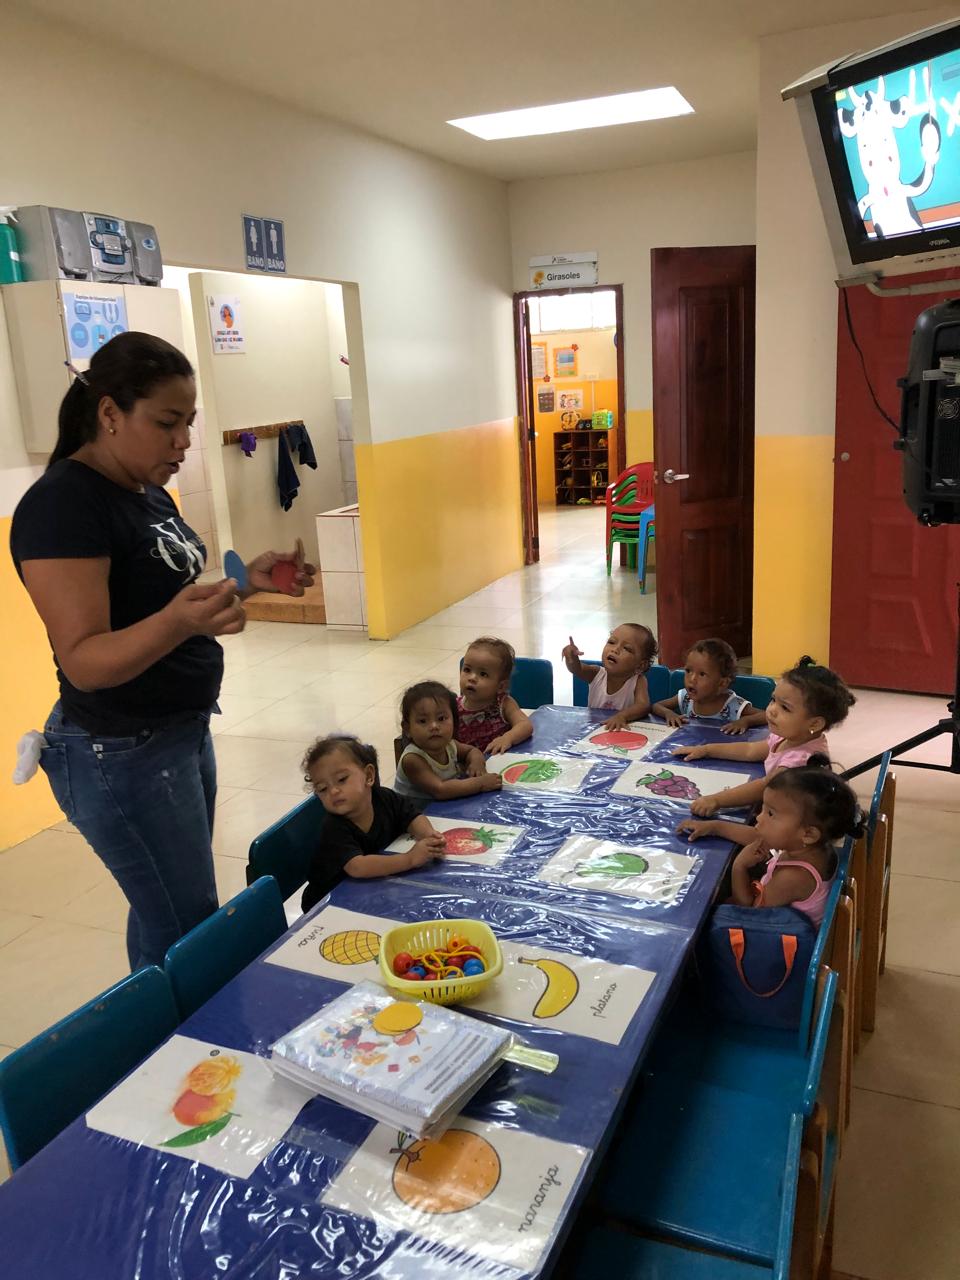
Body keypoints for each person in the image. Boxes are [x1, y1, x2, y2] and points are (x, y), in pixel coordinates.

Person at [9, 331, 315, 970]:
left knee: (169, 911)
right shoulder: (63, 505)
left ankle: (163, 1021)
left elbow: (160, 600)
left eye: (189, 423)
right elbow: (84, 661)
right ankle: (171, 1031)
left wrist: (245, 583)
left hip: (176, 733)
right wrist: (179, 624)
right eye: (167, 423)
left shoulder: (145, 489)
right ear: (110, 413)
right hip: (120, 750)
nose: (183, 442)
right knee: (184, 922)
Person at [674, 656, 856, 838]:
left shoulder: (800, 762)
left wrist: (716, 801)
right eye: (773, 700)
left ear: (814, 724)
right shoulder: (790, 736)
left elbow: (764, 787)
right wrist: (706, 750)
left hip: (789, 836)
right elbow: (750, 750)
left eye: (785, 708)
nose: (772, 710)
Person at [300, 736, 444, 911]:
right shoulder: (333, 827)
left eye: (342, 779)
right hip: (329, 904)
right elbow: (358, 867)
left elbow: (412, 816)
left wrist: (429, 836)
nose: (334, 791)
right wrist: (410, 859)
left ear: (368, 776)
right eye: (323, 789)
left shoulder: (384, 798)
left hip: (372, 889)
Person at [728, 758, 864, 925]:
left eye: (770, 813)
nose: (758, 817)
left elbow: (748, 914)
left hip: (774, 936)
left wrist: (739, 866)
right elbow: (756, 838)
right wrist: (715, 827)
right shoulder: (814, 847)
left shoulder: (792, 877)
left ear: (809, 834)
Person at [393, 681, 502, 807]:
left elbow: (472, 751)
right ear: (407, 729)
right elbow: (440, 790)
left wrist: (476, 763)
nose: (434, 726)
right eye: (423, 721)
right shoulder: (412, 759)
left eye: (441, 718)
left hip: (443, 809)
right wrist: (480, 783)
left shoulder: (450, 745)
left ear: (454, 721)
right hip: (412, 815)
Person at [651, 637, 767, 732]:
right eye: (688, 671)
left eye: (702, 674)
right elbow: (656, 706)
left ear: (722, 683)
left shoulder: (733, 705)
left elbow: (766, 715)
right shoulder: (686, 698)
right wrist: (669, 714)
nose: (692, 679)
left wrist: (745, 721)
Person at [562, 623, 657, 728]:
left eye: (626, 648)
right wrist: (571, 657)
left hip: (620, 733)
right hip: (593, 730)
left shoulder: (637, 681)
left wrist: (622, 716)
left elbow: (643, 705)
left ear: (640, 665)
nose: (615, 649)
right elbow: (576, 669)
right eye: (612, 642)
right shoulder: (596, 674)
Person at [457, 636, 533, 755]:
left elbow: (525, 725)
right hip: (465, 763)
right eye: (467, 670)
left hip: (496, 759)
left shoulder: (503, 704)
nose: (472, 678)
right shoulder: (453, 706)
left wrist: (507, 738)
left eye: (483, 674)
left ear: (501, 686)